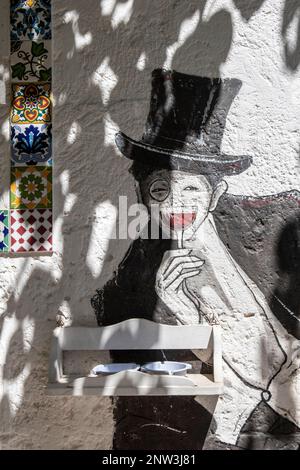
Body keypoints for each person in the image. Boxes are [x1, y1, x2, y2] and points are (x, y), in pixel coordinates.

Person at [91, 69, 300, 447]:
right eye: (159, 189)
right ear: (142, 196)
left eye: (191, 188)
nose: (175, 203)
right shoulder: (132, 278)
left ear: (215, 194)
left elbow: (272, 367)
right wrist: (183, 320)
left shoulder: (267, 242)